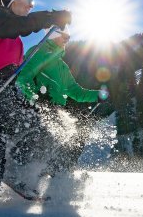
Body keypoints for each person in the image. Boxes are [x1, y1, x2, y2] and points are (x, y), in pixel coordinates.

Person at [0, 0, 71, 205]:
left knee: (40, 129)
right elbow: (16, 26)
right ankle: (5, 180)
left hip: (3, 96)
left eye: (32, 4)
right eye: (26, 1)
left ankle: (10, 177)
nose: (29, 7)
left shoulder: (16, 42)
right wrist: (51, 16)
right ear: (11, 0)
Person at [13, 28, 103, 177]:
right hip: (35, 104)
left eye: (69, 36)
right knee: (48, 131)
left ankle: (57, 171)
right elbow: (23, 77)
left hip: (53, 108)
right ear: (54, 34)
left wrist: (97, 95)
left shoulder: (62, 67)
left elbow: (76, 91)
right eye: (65, 36)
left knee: (76, 136)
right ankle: (17, 168)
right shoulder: (40, 51)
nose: (67, 40)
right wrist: (35, 97)